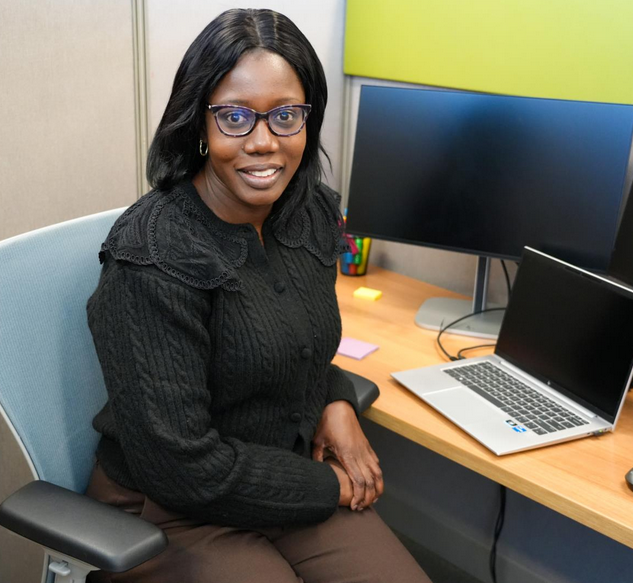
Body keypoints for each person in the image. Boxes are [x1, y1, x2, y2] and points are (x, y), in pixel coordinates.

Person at [85, 8, 431, 583]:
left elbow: (297, 339)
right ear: (198, 123)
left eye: (285, 115)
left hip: (278, 477)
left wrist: (336, 399)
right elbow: (182, 468)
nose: (265, 142)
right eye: (235, 117)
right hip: (167, 506)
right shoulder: (152, 256)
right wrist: (328, 486)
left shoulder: (311, 212)